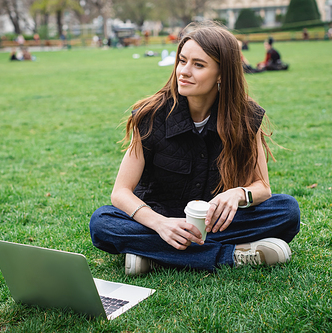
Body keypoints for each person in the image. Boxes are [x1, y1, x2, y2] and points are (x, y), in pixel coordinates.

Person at [89, 21, 300, 276]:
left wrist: (237, 195)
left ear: (222, 74)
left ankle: (155, 257)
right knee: (102, 223)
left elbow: (262, 188)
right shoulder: (151, 115)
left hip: (216, 223)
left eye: (198, 65)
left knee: (287, 211)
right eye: (182, 60)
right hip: (159, 218)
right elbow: (120, 192)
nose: (184, 71)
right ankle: (231, 255)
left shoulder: (245, 117)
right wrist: (160, 224)